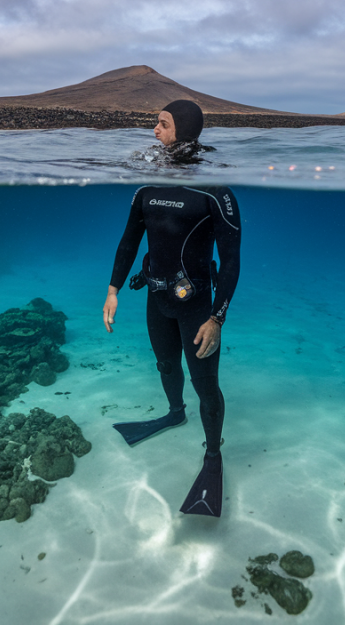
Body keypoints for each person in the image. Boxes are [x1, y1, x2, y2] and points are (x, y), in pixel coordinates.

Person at [102, 99, 241, 517]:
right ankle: (174, 414)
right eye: (156, 123)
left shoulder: (215, 191)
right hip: (157, 299)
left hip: (196, 307)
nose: (154, 130)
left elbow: (231, 262)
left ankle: (213, 456)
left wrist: (217, 318)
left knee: (205, 383)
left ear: (183, 129)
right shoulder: (147, 186)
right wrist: (113, 290)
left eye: (162, 124)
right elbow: (128, 242)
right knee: (165, 365)